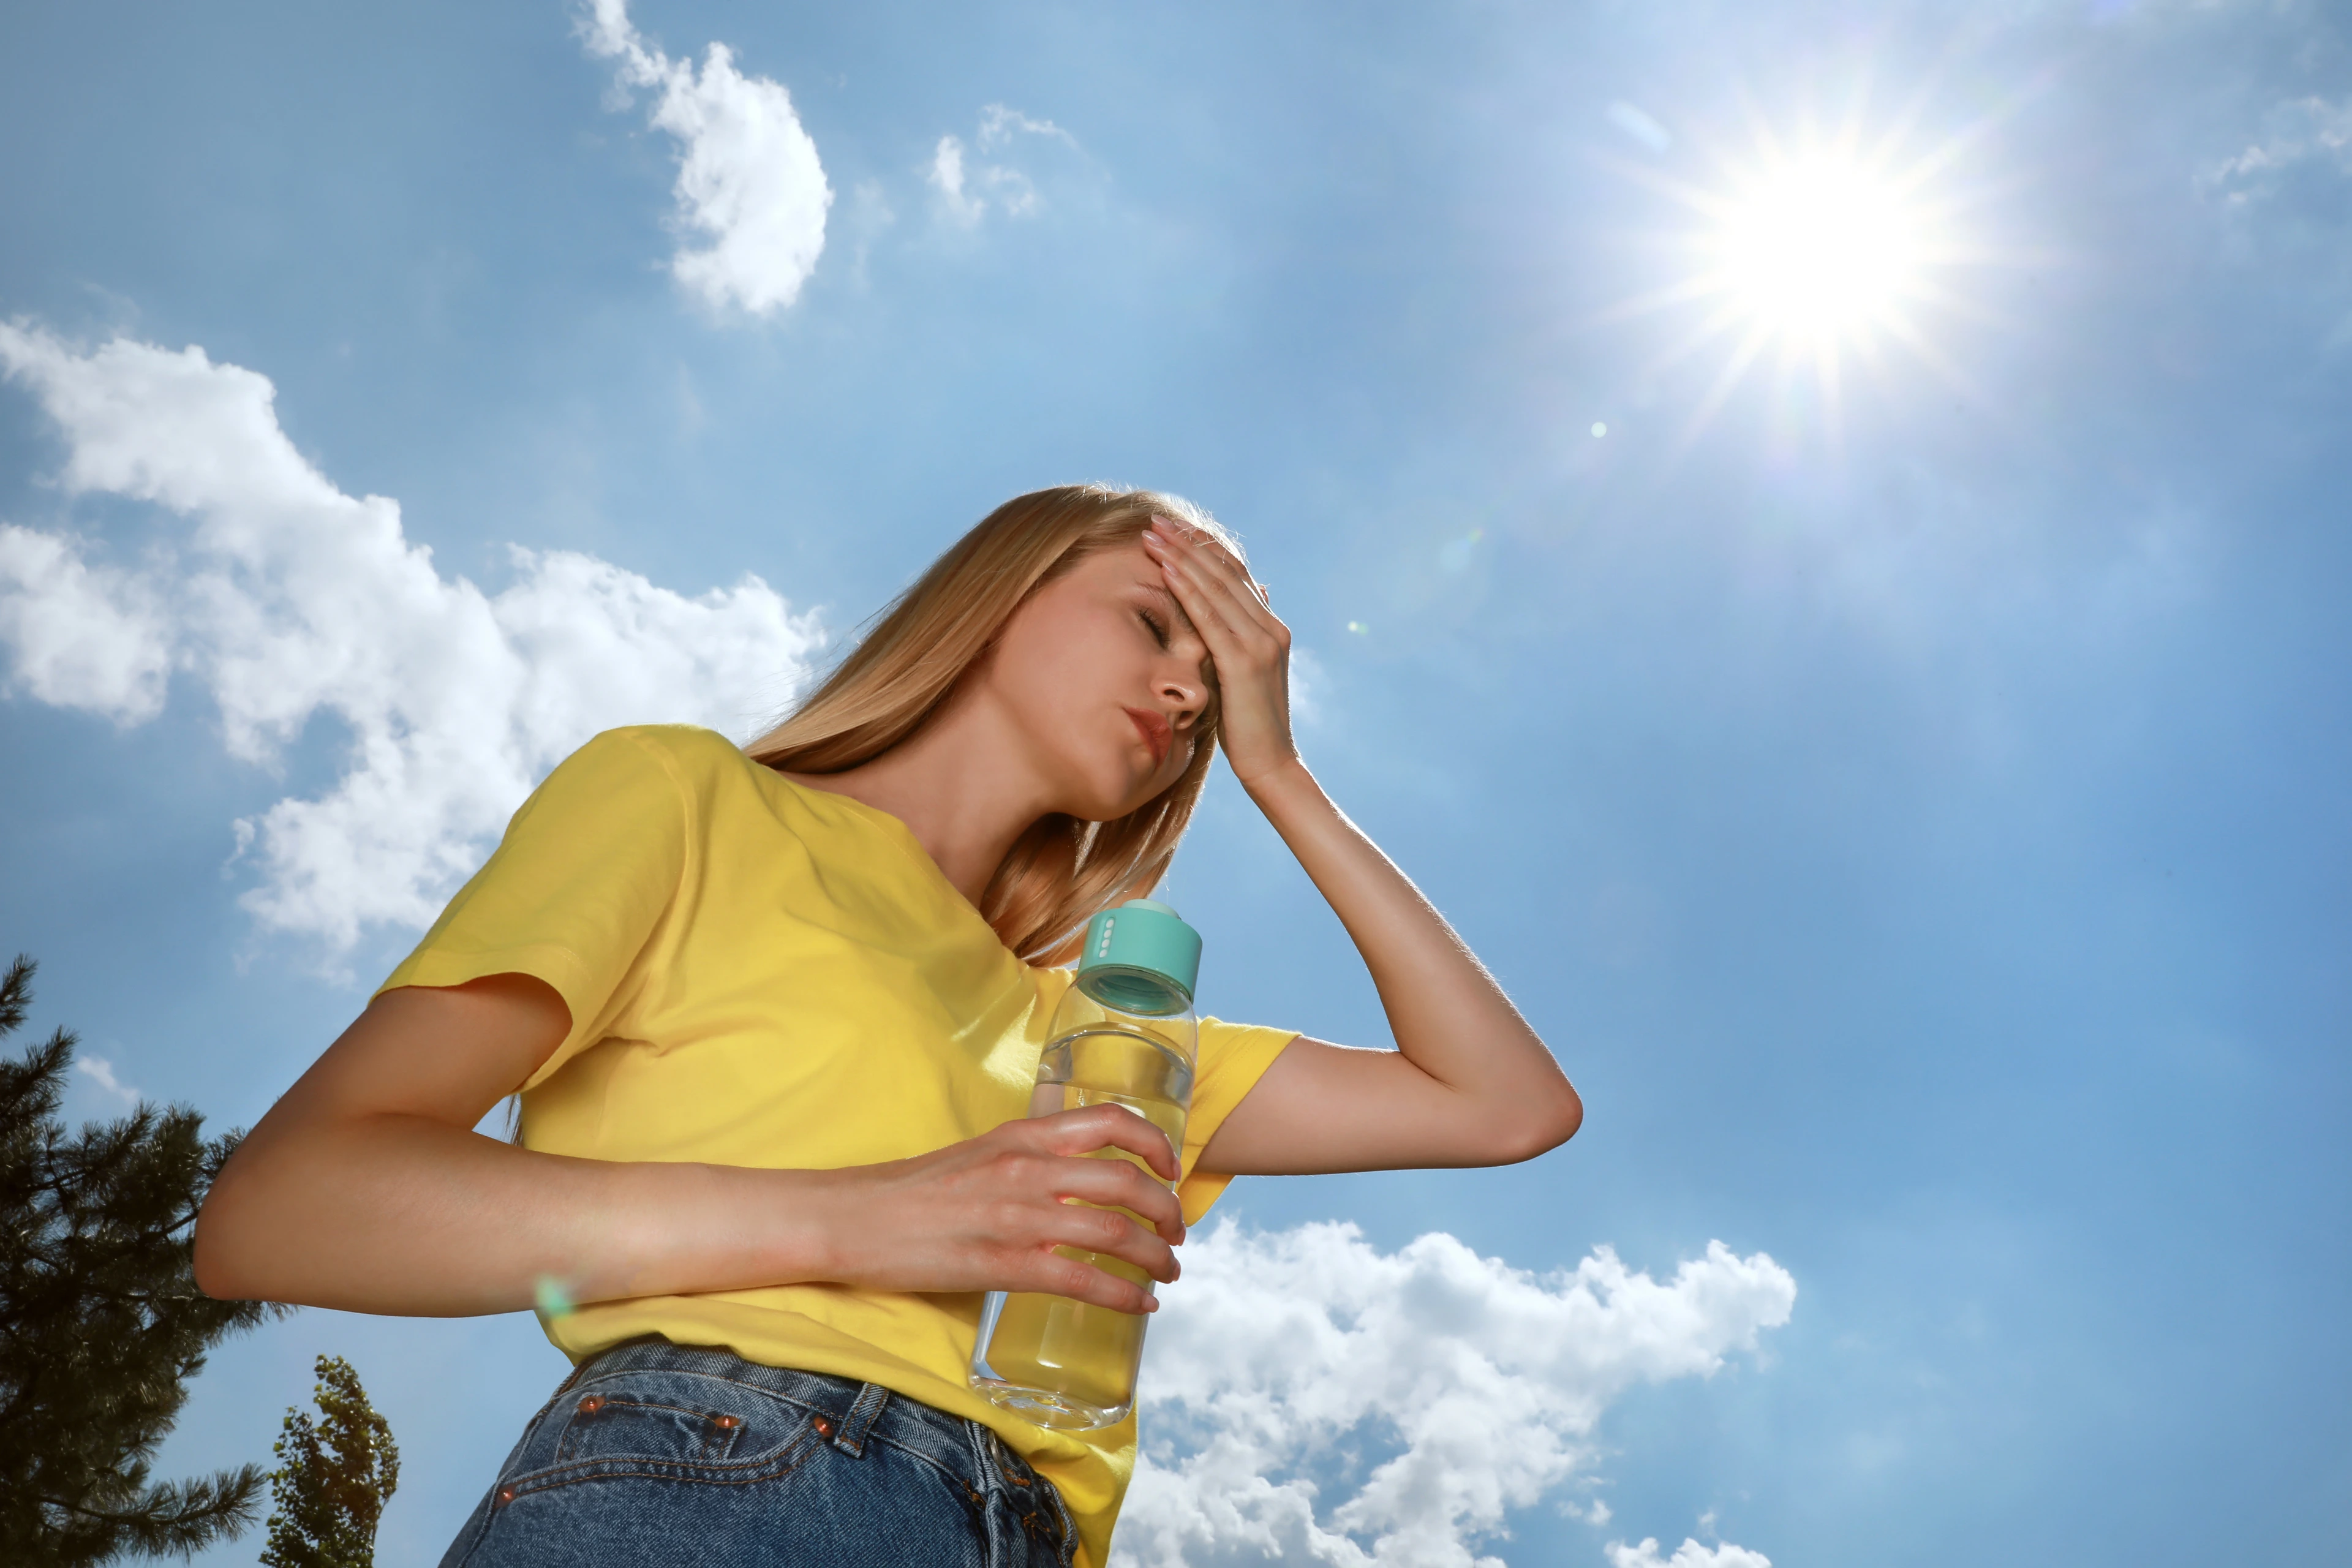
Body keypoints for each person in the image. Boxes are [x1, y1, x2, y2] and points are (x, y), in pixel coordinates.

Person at [194, 484, 1583, 1568]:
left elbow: (1504, 1101)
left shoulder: (1097, 1038)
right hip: (726, 1477)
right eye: (1156, 625)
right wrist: (862, 1218)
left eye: (1211, 697)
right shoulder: (693, 800)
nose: (1183, 693)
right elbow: (285, 1205)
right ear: (999, 594)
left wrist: (1279, 771)